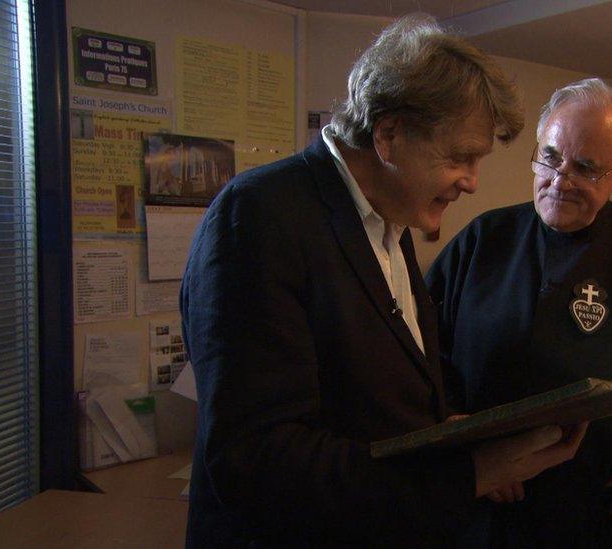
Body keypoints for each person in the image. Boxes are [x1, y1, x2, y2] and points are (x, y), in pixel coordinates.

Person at [180, 15, 587, 547]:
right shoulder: (258, 215)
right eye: (461, 157)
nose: (472, 181)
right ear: (390, 134)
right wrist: (473, 472)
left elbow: (369, 404)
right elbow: (258, 462)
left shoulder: (390, 222)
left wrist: (453, 432)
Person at [426, 78, 612, 547]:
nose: (559, 181)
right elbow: (421, 356)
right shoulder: (483, 241)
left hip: (604, 515)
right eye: (549, 157)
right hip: (490, 511)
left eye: (585, 167)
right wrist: (472, 451)